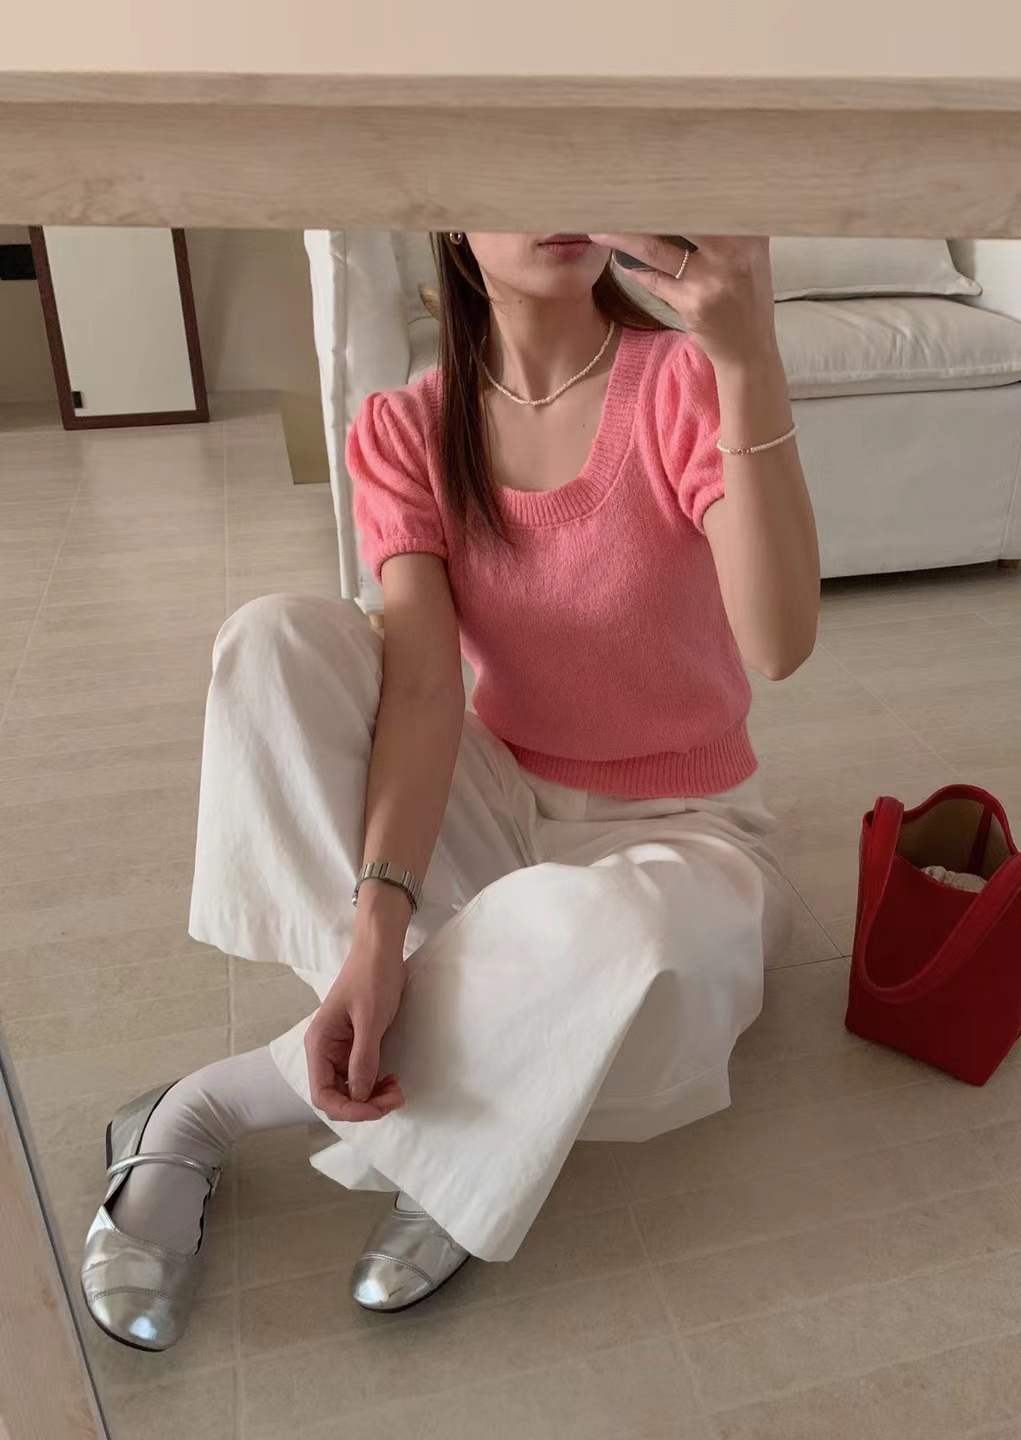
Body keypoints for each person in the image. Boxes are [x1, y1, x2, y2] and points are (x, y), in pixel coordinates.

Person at [81, 230, 820, 1351]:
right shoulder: (408, 426)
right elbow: (425, 693)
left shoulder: (681, 381)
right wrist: (377, 930)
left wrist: (748, 354)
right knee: (275, 641)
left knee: (617, 932)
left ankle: (205, 1106)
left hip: (686, 843)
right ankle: (449, 1074)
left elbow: (779, 644)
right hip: (501, 802)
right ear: (449, 211)